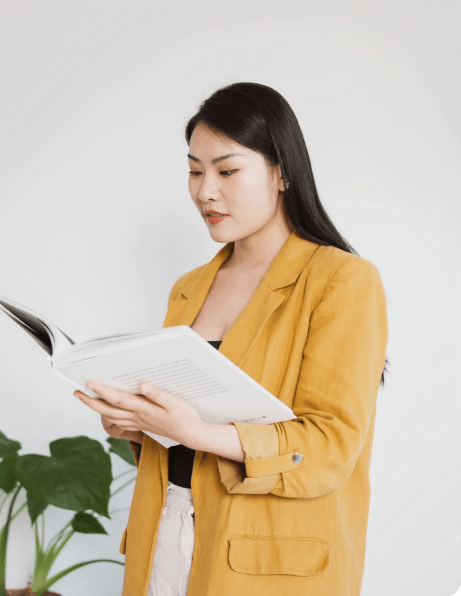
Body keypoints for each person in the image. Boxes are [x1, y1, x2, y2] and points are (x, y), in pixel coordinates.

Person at [74, 81, 389, 596]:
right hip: (164, 534)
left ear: (282, 172)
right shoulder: (189, 287)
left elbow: (330, 446)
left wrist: (199, 432)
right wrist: (139, 426)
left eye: (226, 171)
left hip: (264, 560)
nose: (205, 192)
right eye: (195, 171)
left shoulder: (342, 280)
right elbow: (184, 440)